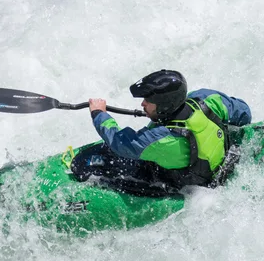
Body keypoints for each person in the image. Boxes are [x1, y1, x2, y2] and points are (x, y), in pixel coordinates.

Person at [84, 69, 252, 191]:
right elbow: (244, 113)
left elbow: (120, 143)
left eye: (148, 101)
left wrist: (99, 113)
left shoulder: (160, 139)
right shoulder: (206, 99)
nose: (142, 104)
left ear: (165, 107)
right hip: (221, 164)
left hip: (192, 186)